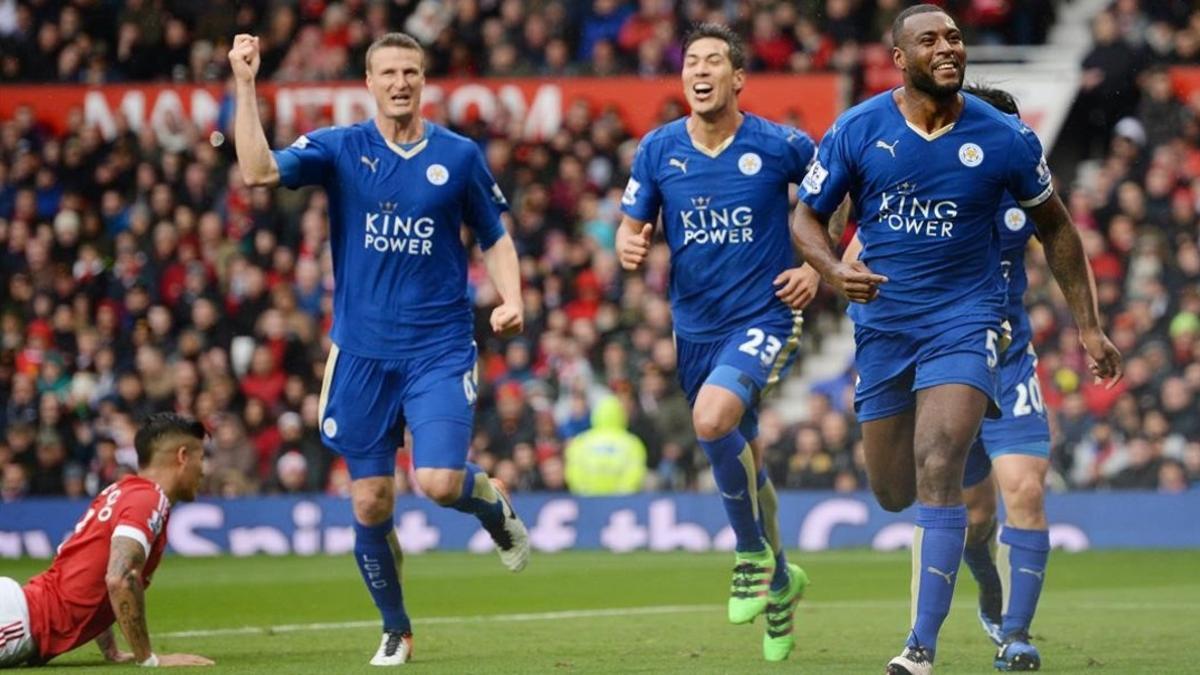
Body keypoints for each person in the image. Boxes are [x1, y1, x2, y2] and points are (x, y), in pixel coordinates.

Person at [792, 5, 1122, 675]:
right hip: (885, 327)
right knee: (893, 488)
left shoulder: (1004, 137)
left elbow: (1056, 228)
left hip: (966, 322)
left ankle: (922, 646)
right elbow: (806, 215)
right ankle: (972, 531)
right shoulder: (859, 129)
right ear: (900, 57)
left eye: (954, 37)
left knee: (939, 463)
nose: (948, 48)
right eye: (930, 40)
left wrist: (1087, 324)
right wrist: (832, 268)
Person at [228, 31, 531, 666]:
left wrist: (512, 297)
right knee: (370, 500)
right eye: (389, 72)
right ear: (367, 82)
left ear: (424, 81)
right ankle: (396, 627)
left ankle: (490, 504)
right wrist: (246, 82)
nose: (401, 82)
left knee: (440, 482)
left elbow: (495, 235)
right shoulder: (341, 148)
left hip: (439, 348)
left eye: (411, 72)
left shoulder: (460, 154)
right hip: (362, 354)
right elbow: (256, 171)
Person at [617, 22, 818, 663]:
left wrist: (819, 266)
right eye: (690, 62)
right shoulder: (657, 150)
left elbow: (838, 195)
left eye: (713, 61)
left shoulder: (782, 145)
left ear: (738, 78)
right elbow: (632, 221)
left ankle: (750, 553)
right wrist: (629, 240)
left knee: (711, 417)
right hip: (695, 330)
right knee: (745, 458)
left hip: (766, 315)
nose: (699, 71)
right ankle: (783, 580)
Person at [0, 413, 214, 668]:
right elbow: (119, 577)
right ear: (182, 457)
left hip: (18, 610)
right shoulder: (147, 500)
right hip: (17, 621)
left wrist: (110, 650)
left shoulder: (122, 491)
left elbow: (93, 570)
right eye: (201, 458)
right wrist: (148, 658)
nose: (203, 470)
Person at [563, 394, 647, 495]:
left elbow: (573, 470)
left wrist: (584, 494)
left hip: (588, 504)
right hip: (621, 504)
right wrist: (622, 494)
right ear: (621, 415)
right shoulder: (632, 442)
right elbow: (635, 471)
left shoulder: (580, 441)